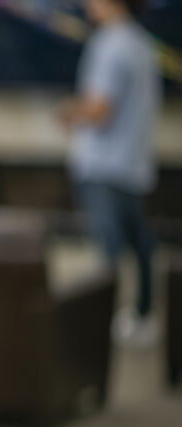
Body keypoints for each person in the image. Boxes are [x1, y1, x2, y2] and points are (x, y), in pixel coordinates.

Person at [59, 0, 160, 346]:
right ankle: (143, 316)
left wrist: (67, 112)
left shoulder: (108, 43)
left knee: (109, 255)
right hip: (133, 164)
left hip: (103, 165)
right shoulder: (142, 43)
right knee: (141, 244)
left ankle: (102, 328)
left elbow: (99, 108)